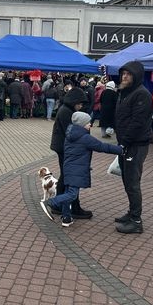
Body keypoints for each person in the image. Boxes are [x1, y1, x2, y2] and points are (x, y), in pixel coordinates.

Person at [41, 112, 123, 226]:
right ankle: (50, 202)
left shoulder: (69, 135)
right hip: (76, 170)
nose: (91, 124)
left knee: (68, 192)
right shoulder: (85, 138)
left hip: (69, 168)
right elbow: (103, 147)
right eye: (88, 122)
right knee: (72, 194)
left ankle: (66, 217)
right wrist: (120, 150)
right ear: (81, 124)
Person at [114, 61, 153, 234]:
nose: (124, 76)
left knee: (132, 182)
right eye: (123, 73)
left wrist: (125, 141)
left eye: (128, 74)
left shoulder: (141, 95)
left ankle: (136, 220)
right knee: (127, 180)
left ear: (136, 76)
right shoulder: (125, 93)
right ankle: (131, 213)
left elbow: (137, 122)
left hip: (135, 145)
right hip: (126, 144)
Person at [49, 86, 92, 218]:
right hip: (65, 149)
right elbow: (74, 133)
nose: (80, 106)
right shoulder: (67, 112)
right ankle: (69, 206)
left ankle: (61, 204)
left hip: (62, 147)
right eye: (79, 103)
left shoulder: (65, 109)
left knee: (66, 176)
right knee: (70, 177)